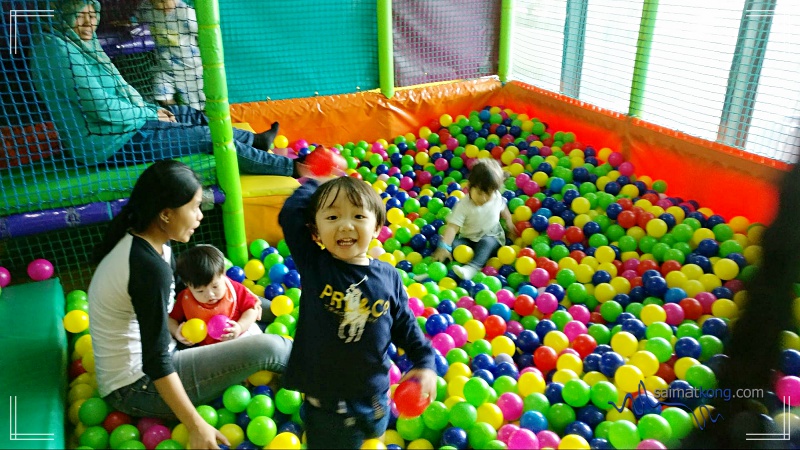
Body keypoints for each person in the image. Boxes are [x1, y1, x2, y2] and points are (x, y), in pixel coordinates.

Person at [88, 160, 292, 450]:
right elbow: (156, 361)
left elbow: (195, 296)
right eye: (194, 207)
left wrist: (256, 306)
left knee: (235, 295)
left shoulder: (151, 242)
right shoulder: (147, 268)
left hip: (151, 366)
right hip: (138, 388)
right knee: (273, 348)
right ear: (166, 214)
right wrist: (196, 424)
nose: (200, 216)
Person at [28, 0, 293, 176]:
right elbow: (103, 108)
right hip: (108, 143)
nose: (88, 22)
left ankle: (254, 141)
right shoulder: (54, 49)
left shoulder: (83, 42)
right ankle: (290, 168)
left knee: (188, 113)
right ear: (65, 15)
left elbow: (122, 86)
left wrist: (150, 109)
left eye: (92, 14)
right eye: (79, 15)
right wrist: (148, 115)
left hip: (125, 127)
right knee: (209, 137)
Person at [278, 175, 438, 449]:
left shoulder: (389, 276)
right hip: (327, 407)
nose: (345, 225)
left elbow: (405, 325)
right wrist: (318, 184)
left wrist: (425, 362)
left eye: (358, 216)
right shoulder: (315, 264)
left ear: (377, 227)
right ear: (315, 232)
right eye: (332, 217)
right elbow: (290, 214)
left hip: (375, 398)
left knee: (373, 443)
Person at [431, 158, 517, 280]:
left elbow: (503, 208)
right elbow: (452, 228)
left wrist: (509, 221)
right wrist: (444, 247)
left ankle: (472, 268)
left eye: (488, 194)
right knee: (454, 245)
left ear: (495, 191)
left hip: (491, 235)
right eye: (479, 193)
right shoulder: (463, 206)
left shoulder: (496, 197)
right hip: (468, 239)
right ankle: (436, 270)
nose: (483, 198)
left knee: (486, 243)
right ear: (469, 187)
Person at [170, 244, 262, 346]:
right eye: (200, 291)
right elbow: (171, 319)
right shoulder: (185, 298)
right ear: (187, 285)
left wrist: (240, 327)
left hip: (242, 335)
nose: (210, 294)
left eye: (215, 286)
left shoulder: (234, 289)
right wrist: (176, 332)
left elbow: (252, 310)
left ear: (223, 274)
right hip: (212, 348)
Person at [135, 0, 205, 110]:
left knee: (196, 106)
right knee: (161, 95)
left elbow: (203, 37)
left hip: (190, 69)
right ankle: (177, 116)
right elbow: (137, 18)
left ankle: (198, 121)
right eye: (158, 2)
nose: (163, 5)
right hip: (165, 68)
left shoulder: (186, 14)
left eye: (166, 1)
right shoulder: (146, 9)